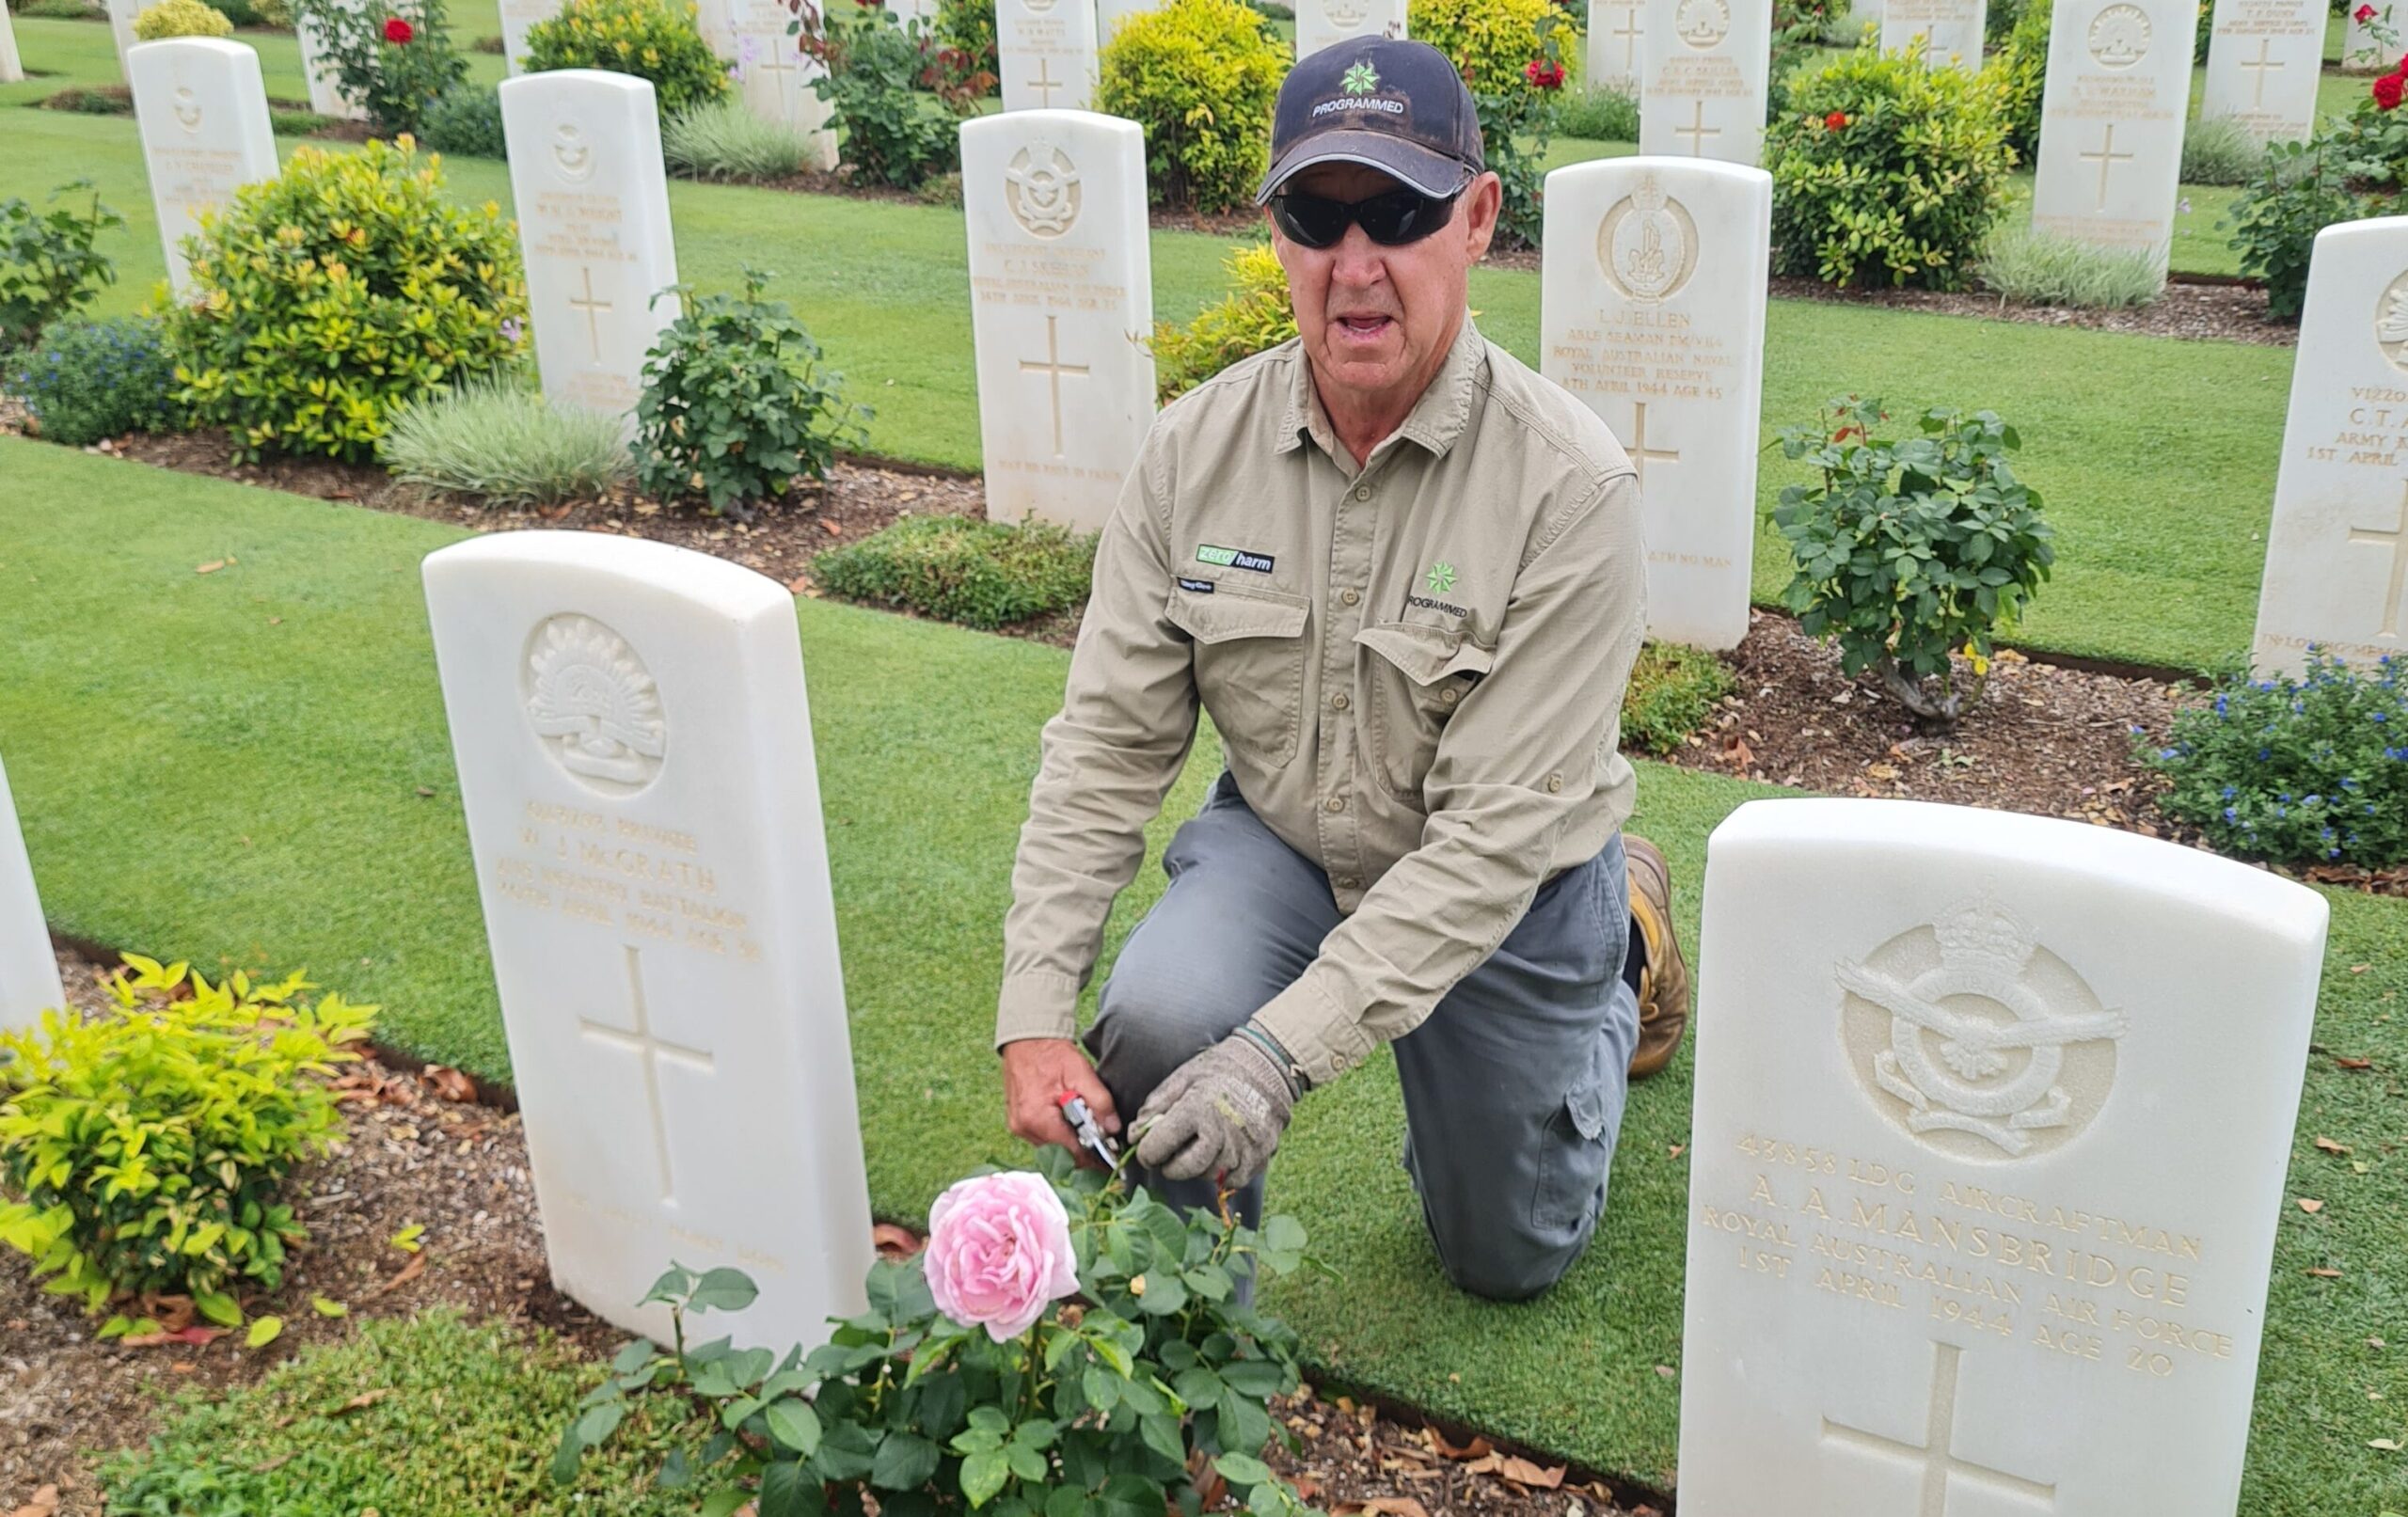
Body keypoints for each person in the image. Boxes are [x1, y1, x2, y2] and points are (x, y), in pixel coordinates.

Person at [993, 37, 1688, 1301]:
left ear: (1478, 220)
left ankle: (1621, 951)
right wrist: (1037, 1005)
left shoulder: (1570, 489)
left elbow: (1481, 849)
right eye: (1319, 216)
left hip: (1509, 882)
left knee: (1507, 1253)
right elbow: (1104, 748)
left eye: (1402, 214)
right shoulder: (1190, 454)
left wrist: (1277, 1055)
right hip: (1291, 836)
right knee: (1158, 1015)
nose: (1355, 268)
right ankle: (1199, 1329)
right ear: (1276, 232)